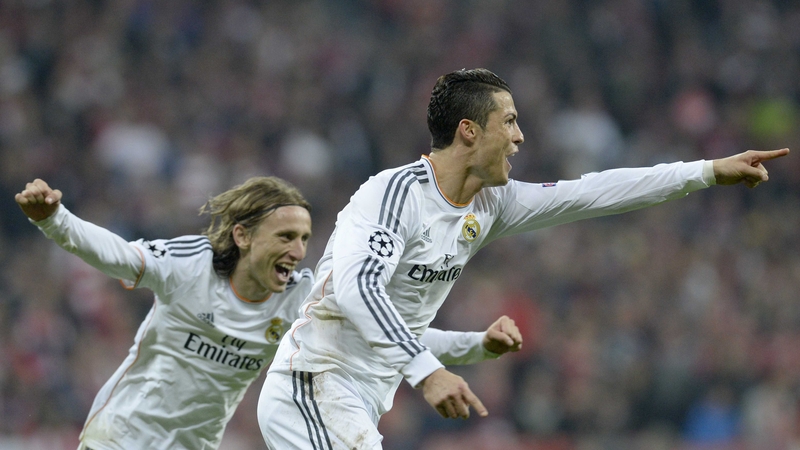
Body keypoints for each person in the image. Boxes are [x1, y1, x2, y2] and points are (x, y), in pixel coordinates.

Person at [257, 67, 790, 449]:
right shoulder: (393, 196)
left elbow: (592, 192)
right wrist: (427, 373)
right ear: (469, 130)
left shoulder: (491, 203)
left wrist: (707, 171)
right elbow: (358, 292)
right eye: (508, 122)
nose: (520, 136)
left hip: (353, 400)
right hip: (314, 382)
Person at [15, 176, 522, 450]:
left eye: (304, 238)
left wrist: (478, 344)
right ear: (243, 236)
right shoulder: (191, 265)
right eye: (285, 237)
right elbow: (117, 255)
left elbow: (389, 335)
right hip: (121, 437)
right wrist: (53, 218)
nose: (299, 250)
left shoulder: (299, 300)